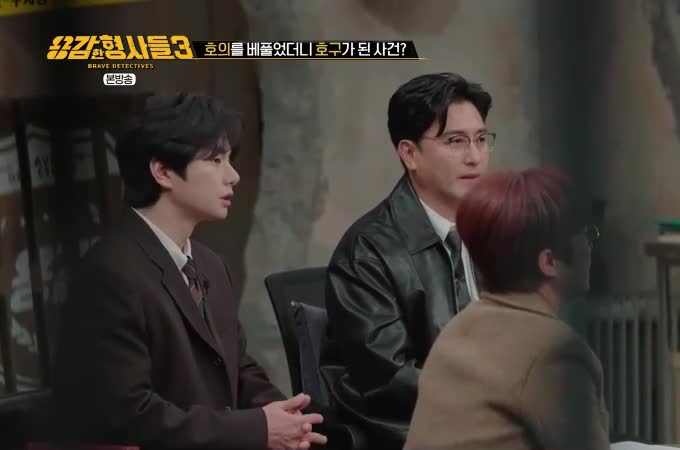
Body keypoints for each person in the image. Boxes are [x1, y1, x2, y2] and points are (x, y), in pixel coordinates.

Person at [51, 92, 327, 450]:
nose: (233, 176)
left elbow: (237, 368)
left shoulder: (210, 263)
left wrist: (290, 419)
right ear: (163, 171)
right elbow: (130, 414)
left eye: (230, 160)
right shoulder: (110, 273)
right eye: (215, 160)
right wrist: (256, 429)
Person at [319, 72, 494, 448]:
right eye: (455, 141)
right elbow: (390, 378)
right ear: (409, 153)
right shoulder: (367, 251)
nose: (475, 156)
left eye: (481, 139)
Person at [404, 167, 609, 450]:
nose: (590, 245)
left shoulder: (457, 330)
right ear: (549, 262)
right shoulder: (555, 353)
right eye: (586, 234)